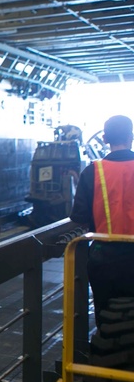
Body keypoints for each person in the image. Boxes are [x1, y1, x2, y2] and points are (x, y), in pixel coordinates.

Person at [70, 114, 134, 325]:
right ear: (131, 137)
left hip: (104, 258)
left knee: (106, 317)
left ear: (105, 139)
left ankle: (104, 355)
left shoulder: (91, 172)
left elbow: (78, 216)